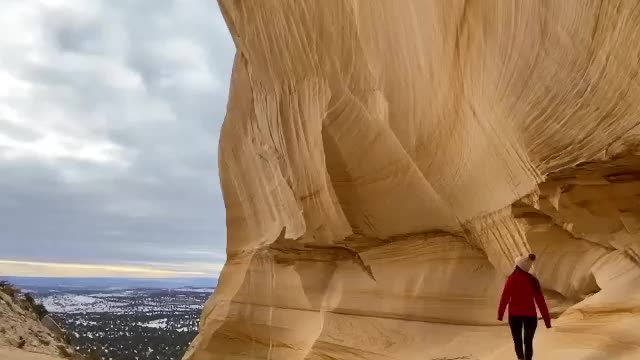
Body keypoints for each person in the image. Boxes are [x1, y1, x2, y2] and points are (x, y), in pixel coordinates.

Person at [498, 253, 551, 360]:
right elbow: (541, 302)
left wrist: (500, 314)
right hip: (530, 317)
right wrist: (547, 321)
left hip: (514, 316)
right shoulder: (533, 281)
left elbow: (505, 298)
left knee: (518, 341)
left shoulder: (511, 279)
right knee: (528, 342)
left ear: (517, 266)